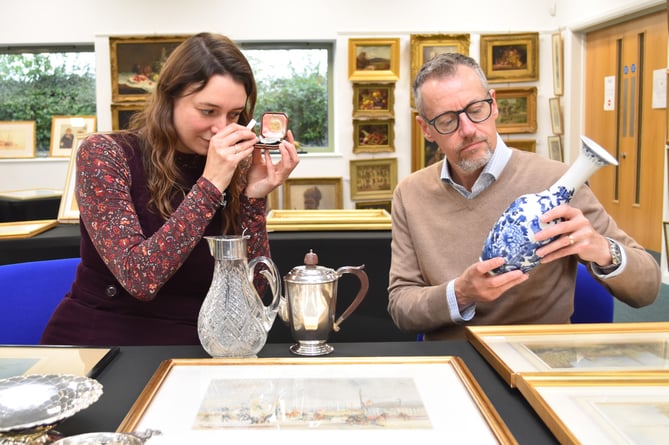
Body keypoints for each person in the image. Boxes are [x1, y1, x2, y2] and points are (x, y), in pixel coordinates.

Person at [41, 33, 299, 346]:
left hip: (197, 342)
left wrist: (254, 199)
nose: (222, 128)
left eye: (234, 115)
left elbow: (254, 292)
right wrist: (211, 184)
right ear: (169, 99)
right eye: (207, 111)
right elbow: (141, 279)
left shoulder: (234, 167)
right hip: (107, 338)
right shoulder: (105, 154)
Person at [387, 52, 661, 340]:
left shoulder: (558, 181)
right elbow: (401, 306)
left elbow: (648, 288)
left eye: (476, 109)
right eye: (446, 120)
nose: (467, 130)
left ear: (494, 105)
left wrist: (602, 249)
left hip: (540, 359)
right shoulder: (410, 193)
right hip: (452, 360)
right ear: (426, 129)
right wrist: (460, 293)